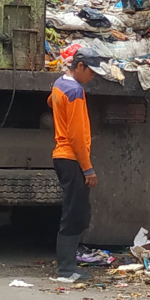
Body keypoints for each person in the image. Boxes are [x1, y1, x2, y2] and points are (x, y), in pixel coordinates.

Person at [48, 49, 103, 282]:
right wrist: (88, 168)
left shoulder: (60, 84)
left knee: (75, 211)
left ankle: (69, 265)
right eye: (91, 71)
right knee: (75, 214)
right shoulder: (76, 92)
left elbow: (50, 101)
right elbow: (78, 136)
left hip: (61, 156)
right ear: (80, 66)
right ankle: (67, 270)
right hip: (72, 159)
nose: (93, 77)